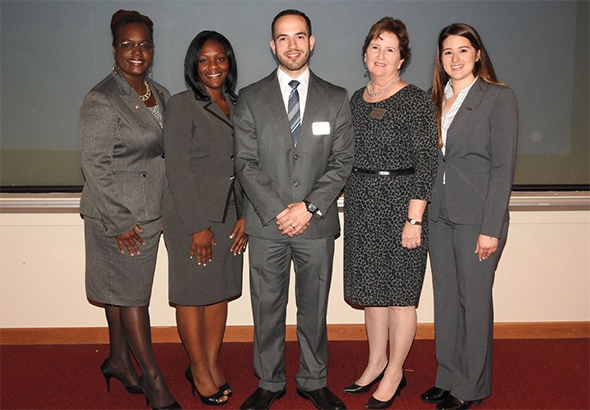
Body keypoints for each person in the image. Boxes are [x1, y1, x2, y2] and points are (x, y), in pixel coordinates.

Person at [233, 9, 354, 410]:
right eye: (283, 38)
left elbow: (342, 161)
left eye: (299, 36)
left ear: (312, 42)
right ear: (273, 46)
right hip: (268, 226)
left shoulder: (336, 98)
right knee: (267, 309)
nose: (292, 45)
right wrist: (278, 210)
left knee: (314, 309)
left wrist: (310, 207)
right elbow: (245, 163)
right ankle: (269, 382)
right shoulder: (250, 98)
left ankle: (313, 380)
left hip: (316, 226)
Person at [80, 9, 180, 410]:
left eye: (144, 45)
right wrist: (120, 221)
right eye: (127, 44)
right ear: (114, 48)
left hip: (150, 209)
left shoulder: (161, 94)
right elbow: (94, 165)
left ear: (152, 49)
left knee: (120, 293)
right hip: (119, 216)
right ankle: (153, 378)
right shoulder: (102, 98)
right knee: (133, 297)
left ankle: (120, 360)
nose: (136, 52)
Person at [420, 23, 518, 410]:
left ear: (478, 54)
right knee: (446, 299)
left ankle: (470, 387)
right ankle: (447, 377)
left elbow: (502, 168)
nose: (455, 58)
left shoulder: (498, 98)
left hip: (478, 219)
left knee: (474, 302)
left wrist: (491, 228)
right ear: (440, 59)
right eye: (447, 52)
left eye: (463, 50)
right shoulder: (435, 100)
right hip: (439, 216)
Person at [342, 17, 438, 410]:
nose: (381, 55)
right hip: (363, 204)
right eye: (375, 47)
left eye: (390, 49)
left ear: (402, 59)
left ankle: (395, 371)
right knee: (371, 295)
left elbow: (428, 162)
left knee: (400, 297)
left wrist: (414, 219)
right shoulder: (354, 99)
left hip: (402, 205)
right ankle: (375, 361)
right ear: (365, 53)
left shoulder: (414, 99)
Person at [162, 30, 247, 406]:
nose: (213, 66)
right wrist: (198, 226)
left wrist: (245, 216)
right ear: (193, 66)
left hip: (231, 216)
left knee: (218, 296)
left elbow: (245, 166)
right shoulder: (182, 105)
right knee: (192, 297)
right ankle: (198, 369)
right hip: (190, 217)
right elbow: (177, 171)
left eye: (220, 58)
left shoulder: (239, 104)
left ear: (229, 62)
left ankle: (211, 363)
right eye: (204, 60)